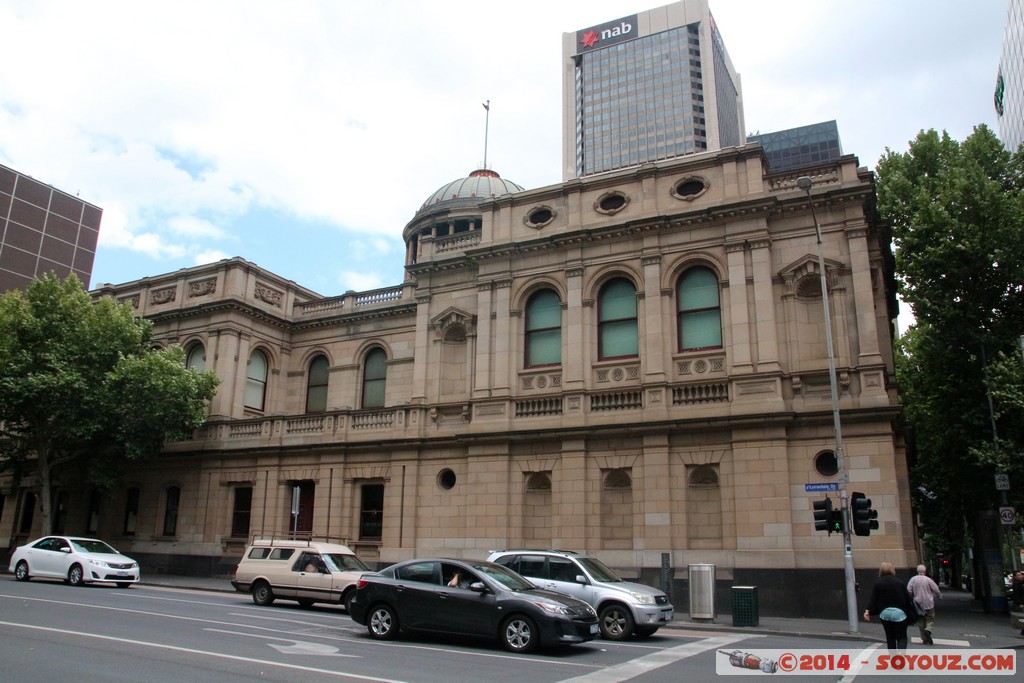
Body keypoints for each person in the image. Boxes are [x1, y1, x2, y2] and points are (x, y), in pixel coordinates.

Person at [864, 562, 917, 652]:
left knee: (890, 637)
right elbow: (908, 599)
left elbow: (873, 599)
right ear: (892, 570)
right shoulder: (899, 582)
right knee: (902, 636)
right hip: (899, 613)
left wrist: (867, 611)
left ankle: (893, 660)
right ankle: (901, 656)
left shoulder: (878, 583)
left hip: (885, 613)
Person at [907, 564, 941, 644]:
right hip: (929, 603)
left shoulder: (913, 579)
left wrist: (910, 598)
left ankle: (924, 638)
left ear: (917, 571)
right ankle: (928, 630)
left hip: (918, 604)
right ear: (925, 571)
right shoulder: (928, 580)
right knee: (930, 619)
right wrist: (939, 595)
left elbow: (909, 590)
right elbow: (936, 589)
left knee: (921, 620)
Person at [1011, 570, 1024, 636]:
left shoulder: (1021, 582)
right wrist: (1019, 603)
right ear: (1015, 577)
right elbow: (1016, 594)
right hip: (1022, 602)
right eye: (1018, 575)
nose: (1020, 576)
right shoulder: (1016, 584)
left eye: (1020, 575)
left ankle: (1023, 631)